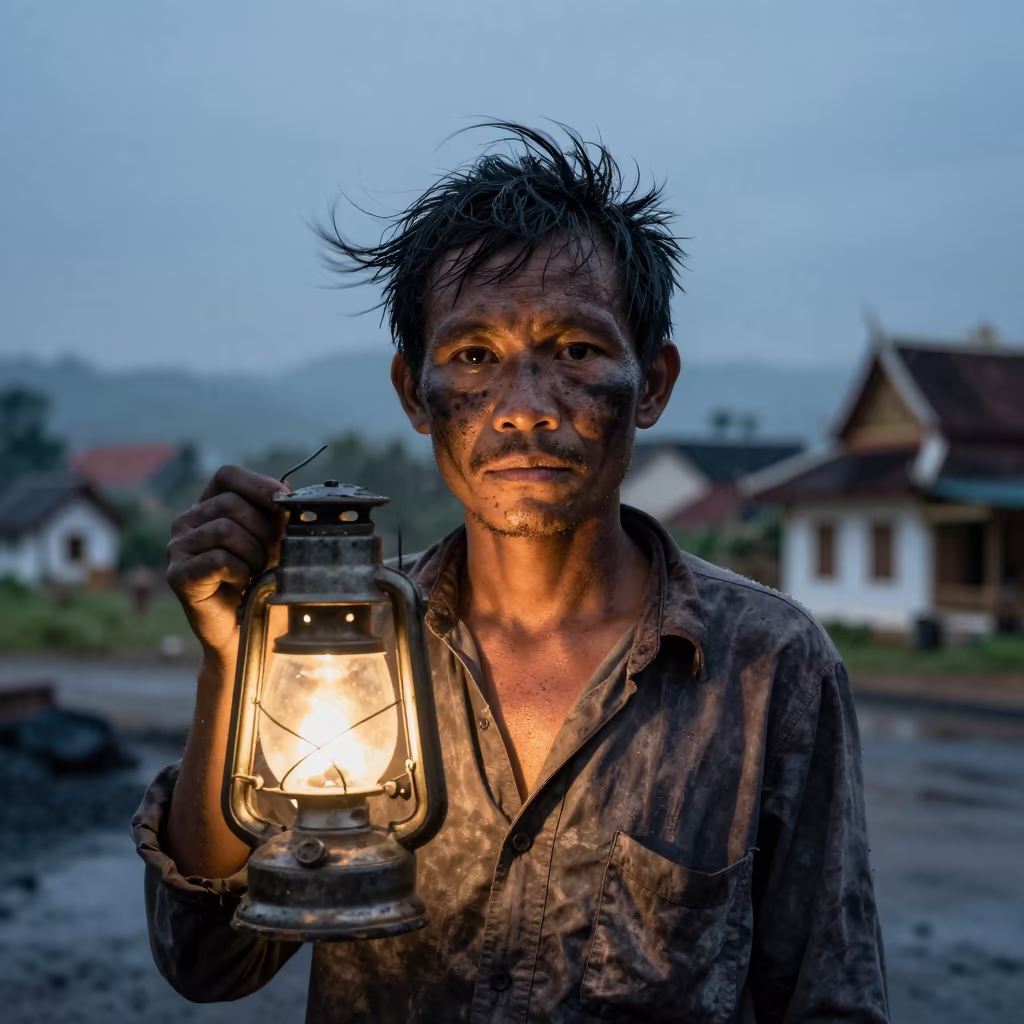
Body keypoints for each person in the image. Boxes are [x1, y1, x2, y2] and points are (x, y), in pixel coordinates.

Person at [133, 123, 888, 1023]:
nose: (526, 410)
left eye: (574, 351)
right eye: (474, 358)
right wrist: (232, 655)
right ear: (415, 392)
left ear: (651, 384)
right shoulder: (337, 648)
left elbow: (829, 1000)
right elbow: (208, 960)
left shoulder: (766, 666)